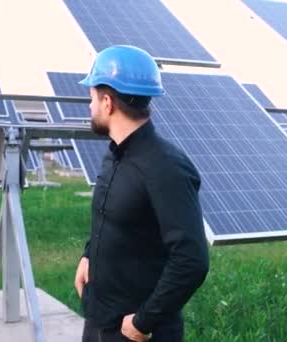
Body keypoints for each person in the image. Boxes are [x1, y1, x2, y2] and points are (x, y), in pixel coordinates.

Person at [73, 45, 210, 342]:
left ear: (107, 102)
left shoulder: (166, 167)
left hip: (136, 333)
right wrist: (88, 256)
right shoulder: (114, 155)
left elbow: (192, 259)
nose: (90, 106)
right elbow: (111, 217)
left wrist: (143, 321)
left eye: (92, 97)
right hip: (100, 320)